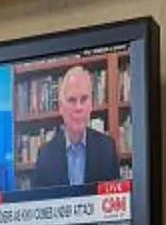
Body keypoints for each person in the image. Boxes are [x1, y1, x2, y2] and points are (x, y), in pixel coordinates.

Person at [24, 63, 123, 192]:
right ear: (61, 107)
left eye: (84, 99)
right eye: (71, 100)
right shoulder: (46, 155)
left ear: (91, 105)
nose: (78, 107)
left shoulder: (107, 148)